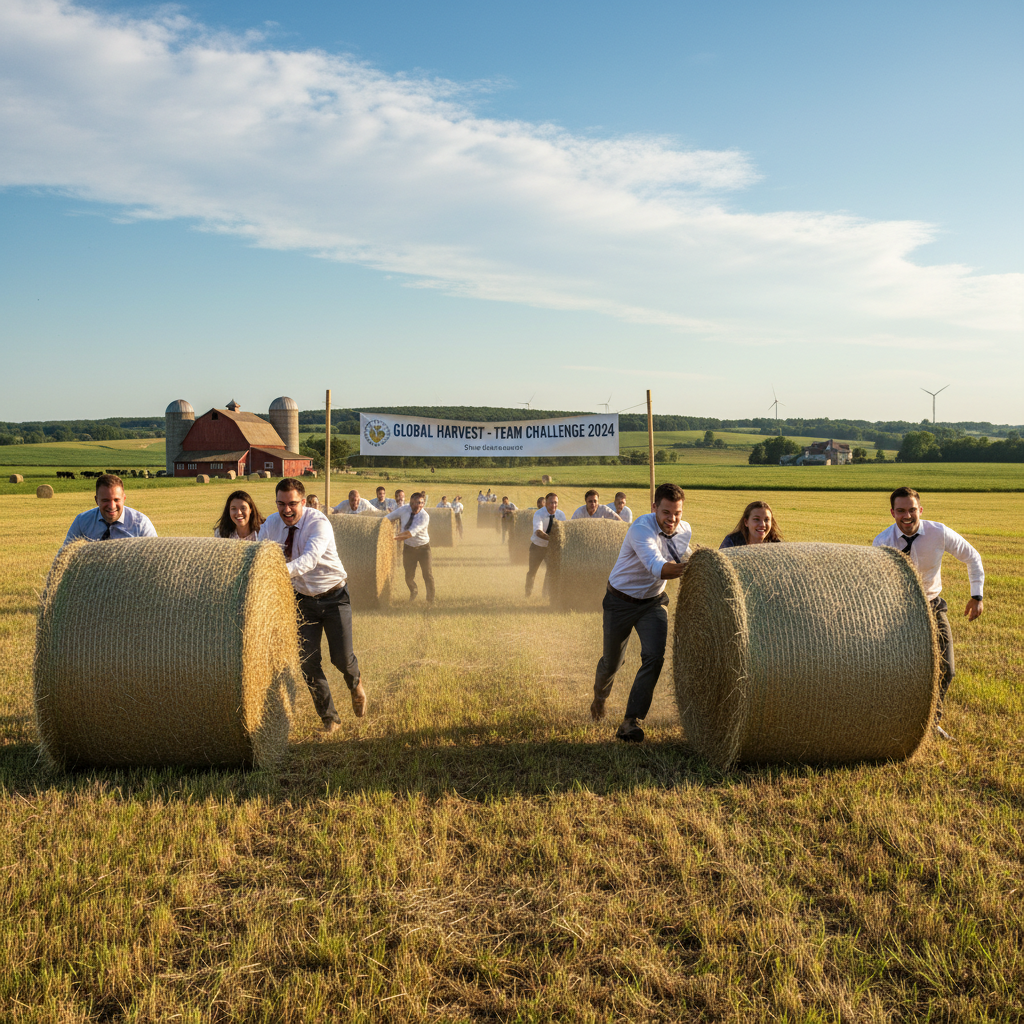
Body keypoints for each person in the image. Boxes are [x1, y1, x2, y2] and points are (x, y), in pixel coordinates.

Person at [872, 486, 984, 740]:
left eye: (912, 510)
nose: (907, 516)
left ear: (920, 510)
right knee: (898, 672)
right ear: (892, 512)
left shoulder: (938, 532)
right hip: (897, 611)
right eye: (901, 510)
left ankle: (931, 724)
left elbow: (972, 557)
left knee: (947, 668)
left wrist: (976, 596)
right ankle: (897, 721)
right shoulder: (882, 542)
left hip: (932, 605)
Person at [259, 478, 365, 732]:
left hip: (334, 596)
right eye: (281, 504)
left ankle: (355, 684)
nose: (286, 510)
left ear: (303, 502)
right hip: (302, 601)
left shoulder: (318, 522)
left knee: (341, 658)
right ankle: (330, 719)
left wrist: (273, 572)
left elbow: (309, 560)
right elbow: (258, 551)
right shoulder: (271, 524)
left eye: (292, 504)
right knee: (307, 662)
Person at [591, 482, 692, 743]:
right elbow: (657, 567)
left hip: (653, 603)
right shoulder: (640, 529)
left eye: (677, 513)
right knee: (612, 663)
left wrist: (701, 562)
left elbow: (683, 555)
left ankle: (630, 721)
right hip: (619, 601)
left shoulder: (684, 530)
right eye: (666, 512)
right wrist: (695, 567)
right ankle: (599, 698)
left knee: (654, 657)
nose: (672, 519)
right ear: (654, 507)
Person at [61, 474, 157, 548]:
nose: (111, 506)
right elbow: (65, 555)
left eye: (116, 500)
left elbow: (155, 557)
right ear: (96, 500)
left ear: (124, 499)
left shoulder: (141, 524)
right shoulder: (82, 521)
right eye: (105, 500)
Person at [387, 492, 435, 603]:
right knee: (408, 576)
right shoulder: (403, 510)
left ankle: (430, 600)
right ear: (410, 503)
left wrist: (393, 538)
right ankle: (414, 590)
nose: (417, 505)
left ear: (423, 503)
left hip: (423, 549)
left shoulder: (424, 516)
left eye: (420, 503)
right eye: (414, 503)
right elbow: (388, 518)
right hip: (409, 548)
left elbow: (410, 533)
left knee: (427, 574)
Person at [526, 492, 566, 597]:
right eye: (551, 502)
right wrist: (553, 539)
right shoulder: (539, 514)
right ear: (546, 503)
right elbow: (538, 532)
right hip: (537, 547)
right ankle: (528, 593)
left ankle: (545, 594)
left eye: (555, 503)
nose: (553, 505)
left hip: (551, 548)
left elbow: (564, 532)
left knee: (551, 571)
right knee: (532, 571)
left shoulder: (561, 515)